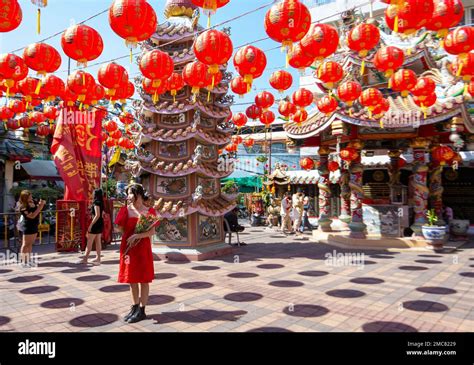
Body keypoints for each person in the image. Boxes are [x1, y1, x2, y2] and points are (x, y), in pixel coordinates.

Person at [115, 184, 156, 324]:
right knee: (131, 279)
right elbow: (119, 229)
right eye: (127, 194)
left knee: (144, 279)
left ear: (138, 194)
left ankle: (142, 310)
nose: (128, 197)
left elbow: (151, 232)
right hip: (128, 249)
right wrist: (128, 235)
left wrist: (137, 236)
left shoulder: (149, 211)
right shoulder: (125, 210)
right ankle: (134, 307)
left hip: (143, 248)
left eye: (130, 193)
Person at [17, 190, 45, 267]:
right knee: (25, 244)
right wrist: (40, 207)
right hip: (28, 226)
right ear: (25, 198)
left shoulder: (33, 202)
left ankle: (28, 259)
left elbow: (37, 210)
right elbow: (32, 216)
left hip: (34, 225)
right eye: (29, 196)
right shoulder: (23, 207)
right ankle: (23, 261)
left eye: (31, 195)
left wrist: (41, 204)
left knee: (30, 244)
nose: (31, 197)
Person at [79, 189, 104, 265]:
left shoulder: (96, 203)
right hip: (100, 223)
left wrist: (91, 225)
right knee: (98, 241)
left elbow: (97, 215)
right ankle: (98, 258)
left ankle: (85, 258)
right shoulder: (101, 202)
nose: (92, 194)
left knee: (89, 242)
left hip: (96, 223)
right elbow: (101, 214)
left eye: (93, 193)